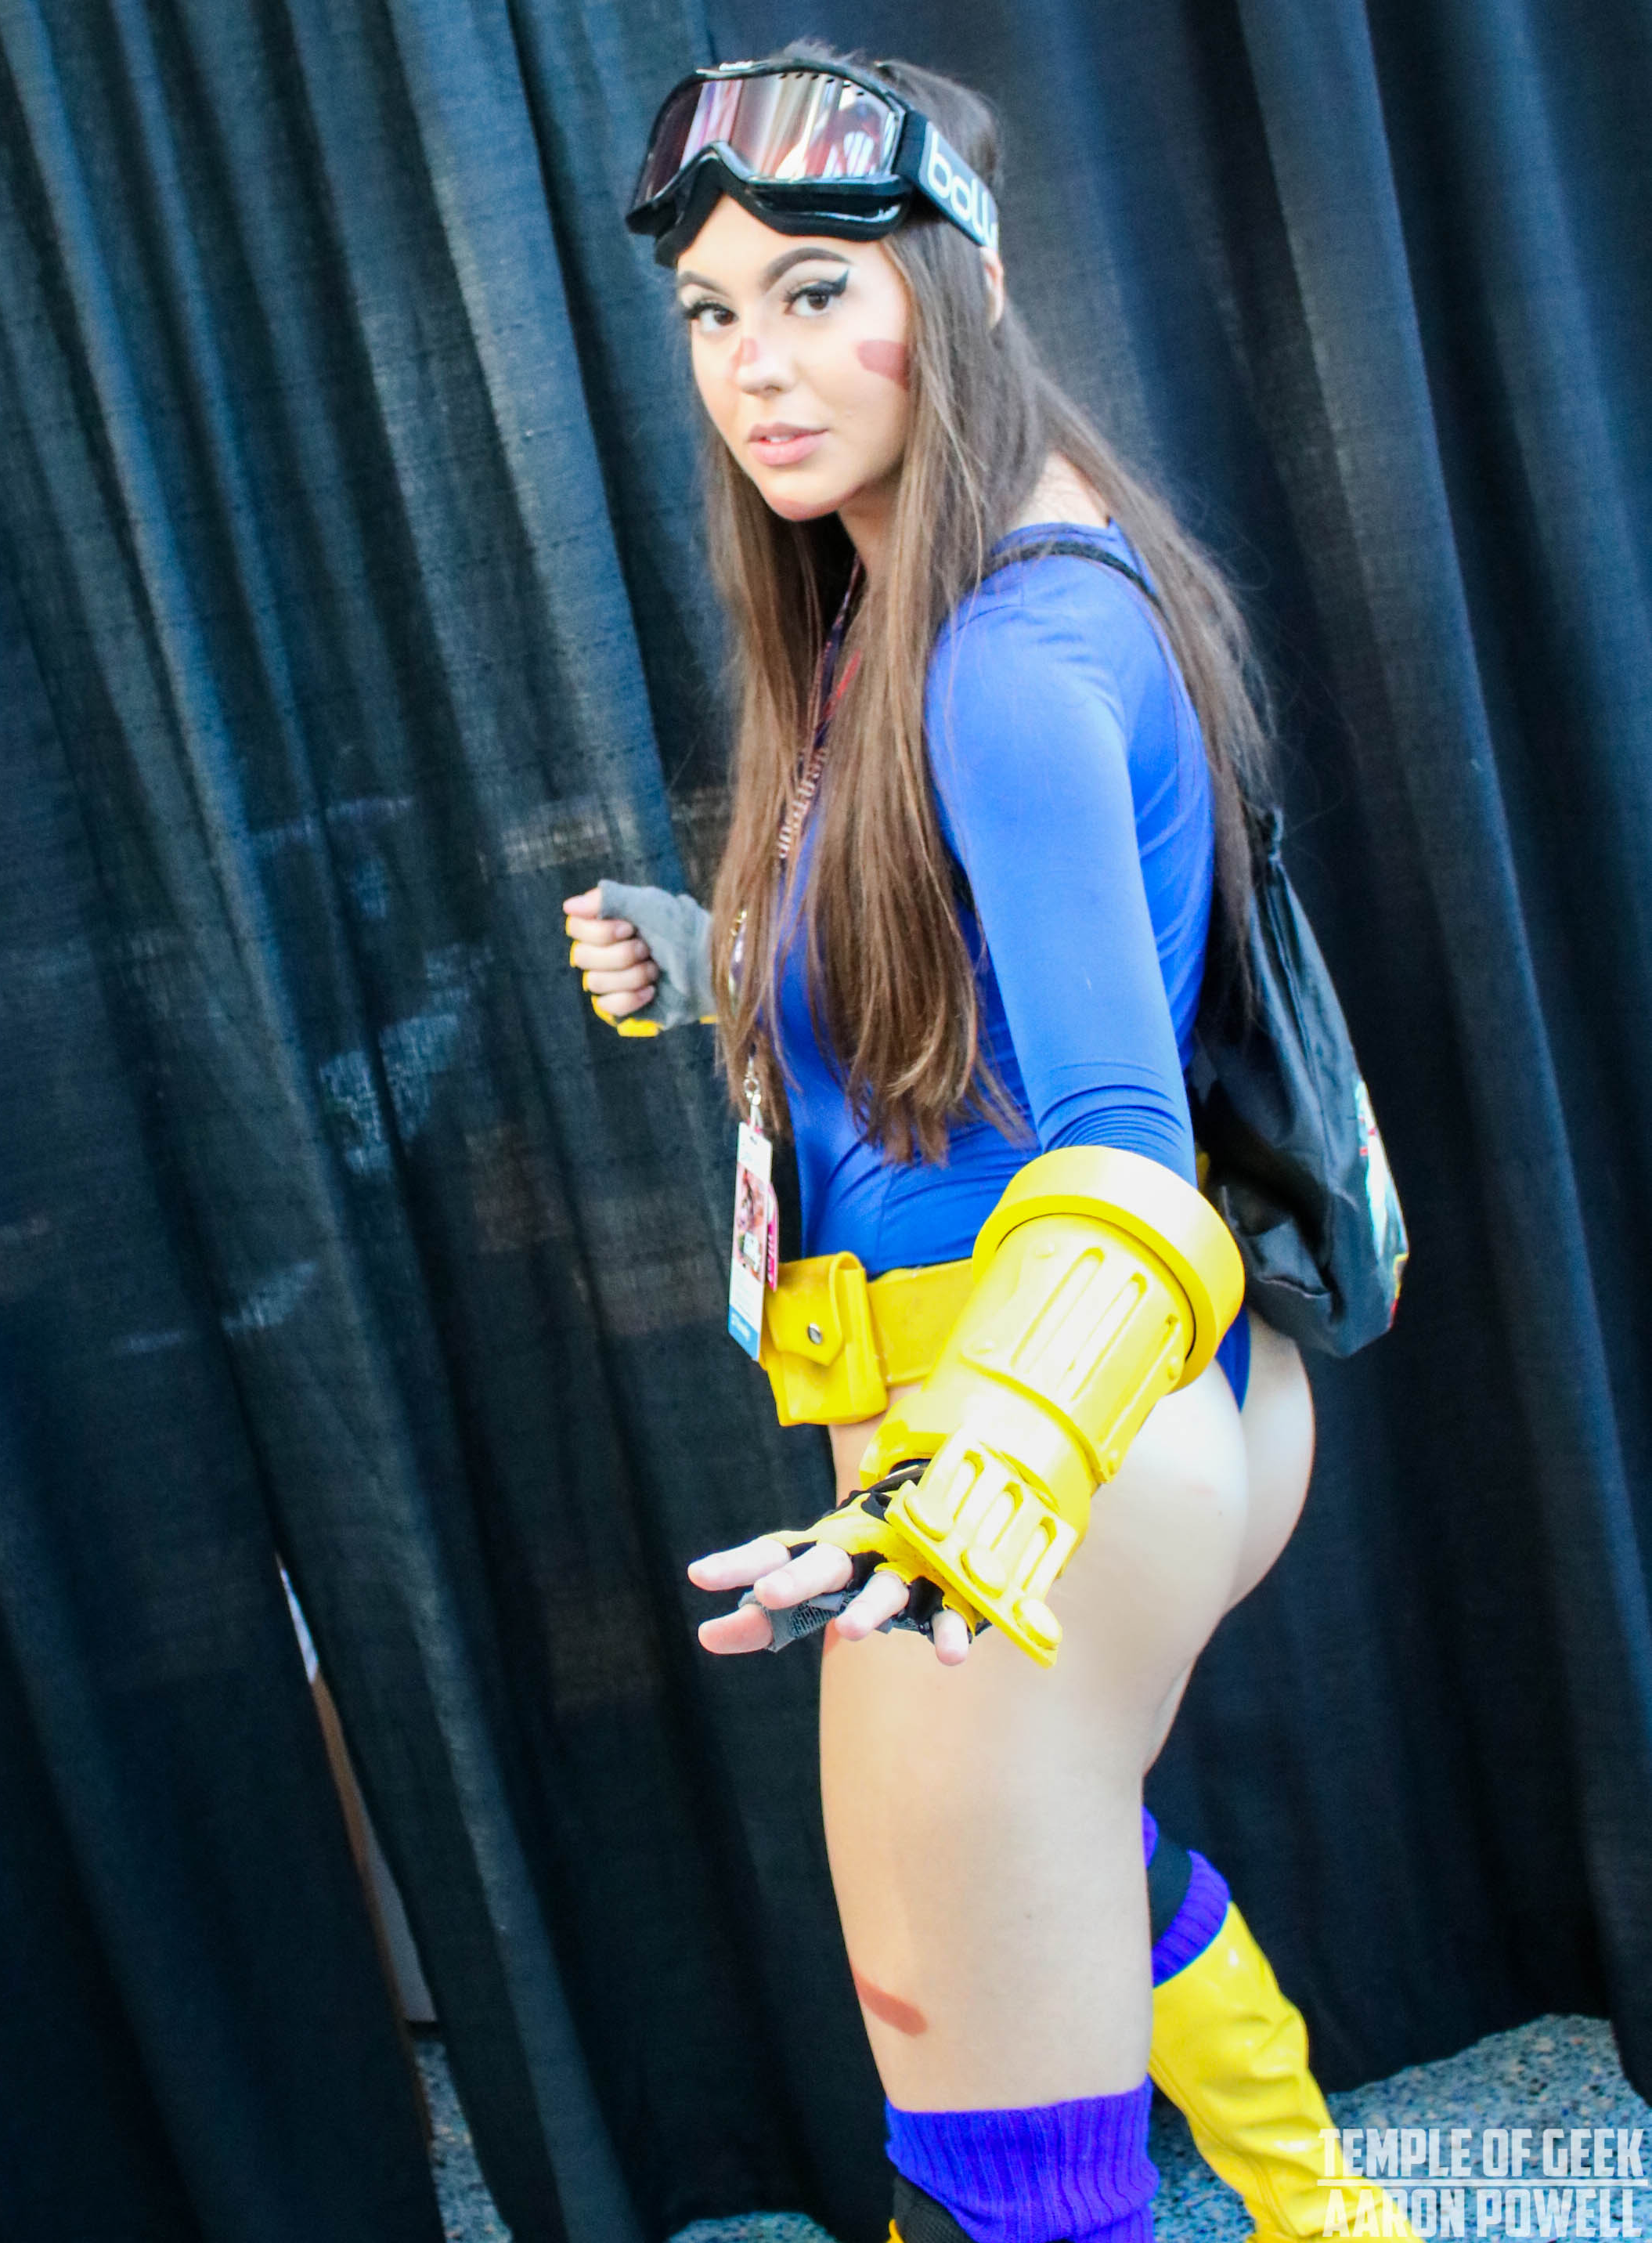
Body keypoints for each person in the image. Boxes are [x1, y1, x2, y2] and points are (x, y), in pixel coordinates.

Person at [564, 48, 1413, 2243]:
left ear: (965, 284)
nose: (754, 368)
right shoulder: (939, 598)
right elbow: (965, 979)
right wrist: (721, 958)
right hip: (1099, 1426)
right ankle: (1333, 2214)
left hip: (1025, 1445)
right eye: (711, 312)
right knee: (1070, 1869)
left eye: (817, 292)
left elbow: (1120, 1138)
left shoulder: (1004, 659)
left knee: (997, 2179)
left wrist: (976, 1496)